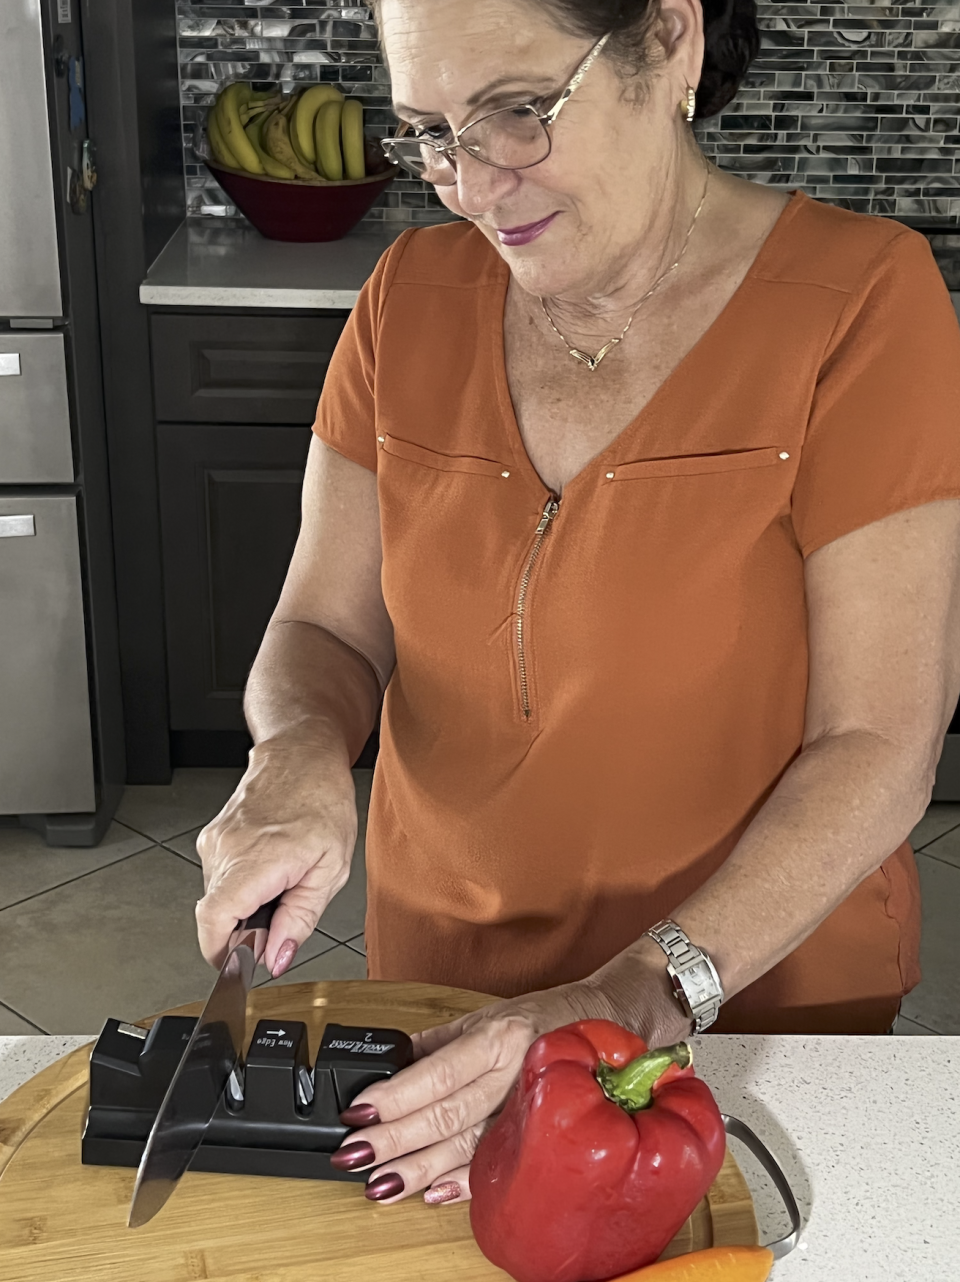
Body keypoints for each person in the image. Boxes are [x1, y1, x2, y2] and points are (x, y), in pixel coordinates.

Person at [195, 0, 960, 1207]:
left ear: (670, 43)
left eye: (515, 111)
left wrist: (631, 999)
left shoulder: (860, 303)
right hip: (441, 992)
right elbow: (325, 628)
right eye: (430, 133)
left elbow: (881, 741)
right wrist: (293, 752)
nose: (471, 185)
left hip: (745, 1007)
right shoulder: (408, 298)